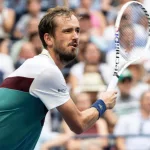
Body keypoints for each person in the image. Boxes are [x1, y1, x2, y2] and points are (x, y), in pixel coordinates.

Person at [0, 6, 117, 150]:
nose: (75, 36)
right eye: (67, 31)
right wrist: (103, 103)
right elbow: (78, 124)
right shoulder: (46, 70)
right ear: (48, 39)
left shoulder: (39, 66)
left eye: (77, 30)